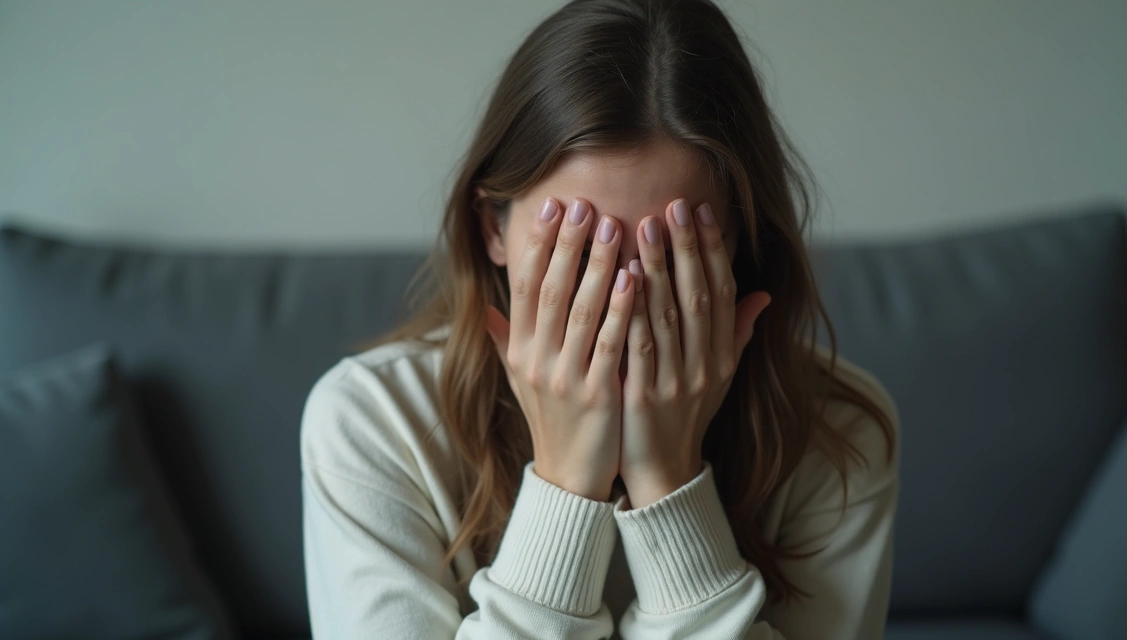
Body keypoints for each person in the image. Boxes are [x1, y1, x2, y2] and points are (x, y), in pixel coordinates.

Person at [301, 0, 898, 637]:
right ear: (492, 230)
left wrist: (669, 483)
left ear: (739, 250)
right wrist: (566, 484)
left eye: (674, 256)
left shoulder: (839, 434)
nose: (622, 301)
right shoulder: (373, 422)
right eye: (580, 253)